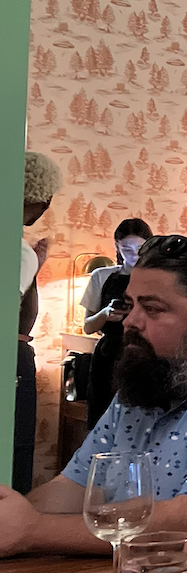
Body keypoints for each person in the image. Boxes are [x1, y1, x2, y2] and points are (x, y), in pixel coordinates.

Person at [0, 235, 187, 556]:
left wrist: (35, 530)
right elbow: (77, 486)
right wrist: (13, 517)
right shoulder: (157, 369)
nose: (131, 321)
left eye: (152, 309)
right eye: (131, 305)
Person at [15, 152, 60, 493]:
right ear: (41, 198)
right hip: (13, 357)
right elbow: (23, 322)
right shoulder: (19, 251)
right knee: (17, 452)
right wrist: (36, 266)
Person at [81, 218, 152, 427]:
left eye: (140, 248)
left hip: (145, 353)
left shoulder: (159, 279)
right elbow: (88, 326)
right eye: (127, 249)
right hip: (109, 355)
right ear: (117, 248)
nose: (134, 255)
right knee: (102, 421)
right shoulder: (102, 276)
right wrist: (104, 314)